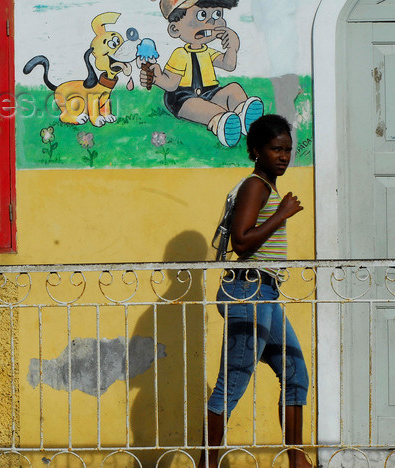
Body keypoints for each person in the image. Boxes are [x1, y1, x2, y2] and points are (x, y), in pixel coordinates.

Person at [201, 114, 312, 468]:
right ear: (256, 151)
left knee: (295, 374)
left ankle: (297, 460)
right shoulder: (256, 186)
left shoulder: (267, 186)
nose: (284, 156)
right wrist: (281, 215)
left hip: (266, 294)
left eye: (288, 150)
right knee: (231, 386)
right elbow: (242, 241)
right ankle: (206, 463)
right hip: (248, 293)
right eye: (276, 149)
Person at [140, 0, 263, 147]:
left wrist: (232, 48)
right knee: (198, 105)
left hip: (210, 92)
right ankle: (221, 122)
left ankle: (243, 114)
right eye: (202, 15)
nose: (212, 21)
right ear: (174, 29)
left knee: (234, 89)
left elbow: (228, 65)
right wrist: (157, 78)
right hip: (183, 97)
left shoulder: (207, 51)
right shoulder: (180, 54)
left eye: (218, 14)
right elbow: (172, 85)